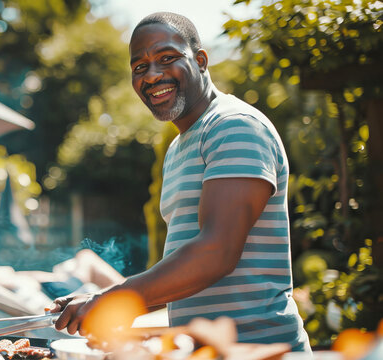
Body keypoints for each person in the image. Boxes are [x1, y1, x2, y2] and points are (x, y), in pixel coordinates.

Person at [50, 12, 311, 353]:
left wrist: (115, 299)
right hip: (207, 349)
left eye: (167, 58)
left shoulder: (234, 127)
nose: (152, 74)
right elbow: (187, 276)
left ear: (200, 60)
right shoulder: (179, 146)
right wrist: (105, 304)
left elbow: (216, 253)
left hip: (259, 349)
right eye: (139, 67)